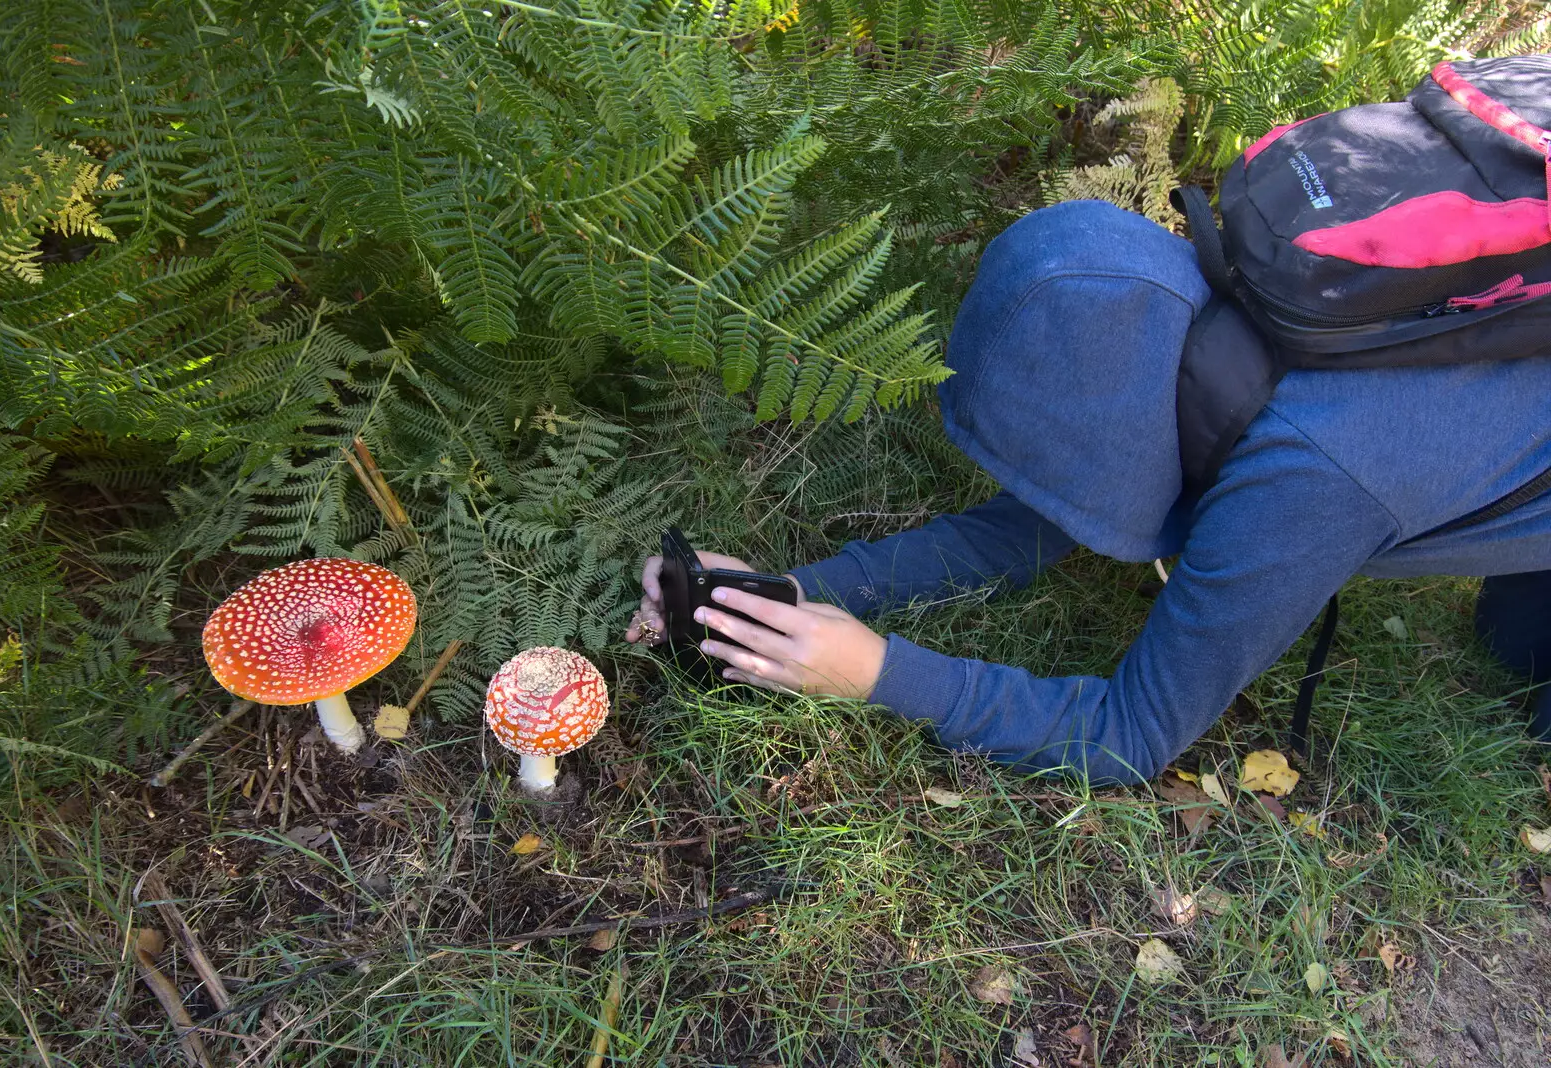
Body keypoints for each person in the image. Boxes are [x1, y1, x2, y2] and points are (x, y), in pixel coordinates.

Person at [625, 200, 1551, 786]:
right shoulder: (1194, 301)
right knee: (1502, 642)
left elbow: (1130, 735)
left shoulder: (1306, 481)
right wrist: (794, 593)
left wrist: (877, 673)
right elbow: (1033, 527)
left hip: (1419, 456)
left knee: (1527, 671)